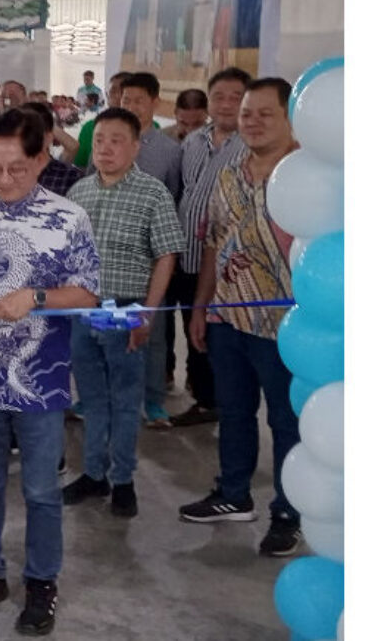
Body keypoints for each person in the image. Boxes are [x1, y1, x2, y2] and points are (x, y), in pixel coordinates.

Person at [0, 109, 100, 636]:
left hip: (41, 385)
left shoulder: (68, 218)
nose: (3, 180)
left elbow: (88, 293)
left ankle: (42, 581)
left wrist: (36, 297)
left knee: (41, 492)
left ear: (41, 158)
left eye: (16, 169)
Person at [179, 78, 303, 557]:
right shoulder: (230, 174)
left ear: (290, 118)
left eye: (265, 113)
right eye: (247, 113)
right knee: (233, 412)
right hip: (228, 318)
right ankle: (234, 494)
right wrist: (202, 305)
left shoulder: (309, 177)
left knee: (287, 421)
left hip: (286, 326)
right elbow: (215, 244)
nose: (252, 121)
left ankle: (289, 512)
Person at [62, 107, 183, 518]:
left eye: (116, 141)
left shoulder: (152, 193)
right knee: (92, 399)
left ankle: (124, 480)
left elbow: (166, 256)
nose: (106, 148)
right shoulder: (79, 193)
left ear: (135, 146)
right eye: (99, 140)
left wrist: (147, 313)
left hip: (126, 309)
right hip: (85, 310)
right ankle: (94, 474)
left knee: (126, 400)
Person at [166, 67, 251, 428]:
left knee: (219, 335)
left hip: (227, 262)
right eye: (219, 96)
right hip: (187, 253)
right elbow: (184, 191)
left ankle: (221, 401)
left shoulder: (250, 144)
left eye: (236, 97)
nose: (226, 104)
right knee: (193, 327)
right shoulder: (194, 141)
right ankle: (203, 397)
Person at [119, 71, 184, 428]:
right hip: (111, 257)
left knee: (153, 332)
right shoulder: (108, 140)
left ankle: (154, 400)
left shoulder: (169, 150)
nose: (131, 106)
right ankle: (102, 395)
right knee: (107, 327)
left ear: (155, 103)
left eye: (138, 100)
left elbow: (175, 195)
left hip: (153, 257)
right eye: (125, 99)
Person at [22, 102, 83, 197]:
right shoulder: (6, 173)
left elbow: (73, 146)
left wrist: (46, 121)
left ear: (49, 136)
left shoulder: (69, 177)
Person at [71, 71, 131, 168]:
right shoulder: (90, 128)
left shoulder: (150, 128)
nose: (120, 96)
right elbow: (80, 168)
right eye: (114, 91)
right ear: (107, 95)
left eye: (125, 91)